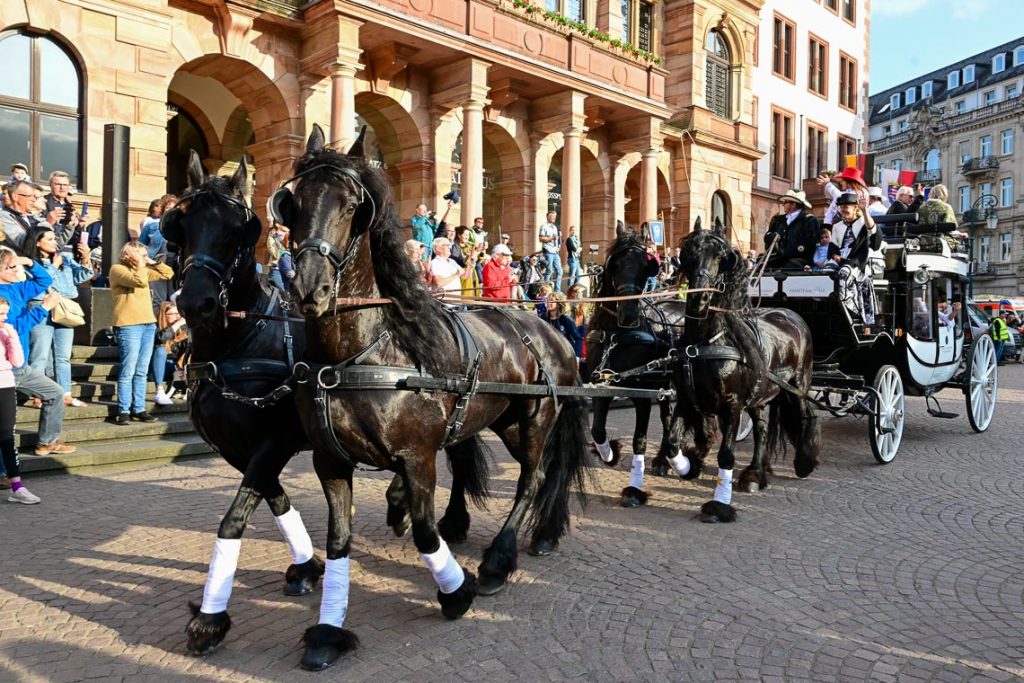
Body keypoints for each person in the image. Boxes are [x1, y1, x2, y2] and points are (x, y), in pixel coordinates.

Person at [0, 247, 76, 456]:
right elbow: (12, 330)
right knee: (4, 425)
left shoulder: (16, 288)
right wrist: (44, 308)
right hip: (6, 367)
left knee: (55, 393)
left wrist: (28, 261)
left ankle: (47, 442)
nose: (17, 270)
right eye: (12, 266)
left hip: (20, 365)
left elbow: (43, 280)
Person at [27, 227, 93, 408]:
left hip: (64, 308)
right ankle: (37, 395)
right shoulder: (31, 263)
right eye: (49, 239)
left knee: (63, 356)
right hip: (41, 306)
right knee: (40, 354)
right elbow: (42, 282)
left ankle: (65, 394)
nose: (54, 241)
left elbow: (84, 276)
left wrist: (86, 258)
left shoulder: (65, 259)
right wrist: (53, 267)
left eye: (54, 238)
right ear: (37, 242)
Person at [110, 242, 174, 425]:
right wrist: (140, 264)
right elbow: (139, 281)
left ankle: (139, 408)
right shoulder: (117, 269)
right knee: (128, 369)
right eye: (141, 254)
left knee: (141, 370)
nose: (144, 258)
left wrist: (152, 262)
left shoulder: (144, 269)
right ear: (130, 255)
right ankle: (123, 409)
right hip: (129, 325)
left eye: (145, 254)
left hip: (148, 324)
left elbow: (167, 273)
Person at [0, 296, 38, 503]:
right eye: (0, 314)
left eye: (5, 313)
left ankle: (17, 486)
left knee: (6, 437)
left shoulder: (6, 332)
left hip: (5, 384)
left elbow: (17, 361)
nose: (4, 318)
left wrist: (12, 336)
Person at [831, 192, 882, 328]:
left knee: (844, 273)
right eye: (841, 206)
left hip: (857, 262)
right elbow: (833, 247)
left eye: (847, 206)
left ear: (855, 208)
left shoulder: (863, 222)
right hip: (841, 260)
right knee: (823, 271)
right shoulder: (837, 226)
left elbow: (874, 235)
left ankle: (848, 308)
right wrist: (835, 256)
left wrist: (865, 210)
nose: (843, 209)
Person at [764, 189, 820, 270]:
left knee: (787, 268)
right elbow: (767, 238)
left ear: (793, 204)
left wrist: (785, 252)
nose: (782, 204)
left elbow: (810, 245)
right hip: (778, 258)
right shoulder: (777, 220)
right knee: (761, 264)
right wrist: (771, 238)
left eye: (785, 202)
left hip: (800, 260)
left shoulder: (809, 220)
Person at [152, 301, 188, 405]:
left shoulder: (181, 329)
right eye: (174, 314)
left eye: (179, 314)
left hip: (174, 369)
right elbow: (160, 339)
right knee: (161, 350)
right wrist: (177, 325)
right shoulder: (155, 328)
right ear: (164, 315)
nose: (178, 317)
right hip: (155, 371)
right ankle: (159, 391)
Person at [544, 292, 582, 358]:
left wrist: (577, 357)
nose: (548, 303)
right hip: (549, 356)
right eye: (547, 301)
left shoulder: (566, 319)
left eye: (551, 301)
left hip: (566, 355)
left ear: (558, 304)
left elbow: (578, 338)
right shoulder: (544, 319)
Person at [538, 211, 563, 292]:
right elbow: (541, 239)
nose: (553, 218)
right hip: (548, 251)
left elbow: (557, 240)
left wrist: (559, 246)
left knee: (560, 271)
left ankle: (557, 290)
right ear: (547, 217)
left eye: (554, 217)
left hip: (555, 252)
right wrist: (552, 238)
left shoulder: (555, 227)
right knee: (549, 270)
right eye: (551, 216)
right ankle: (545, 290)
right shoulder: (544, 226)